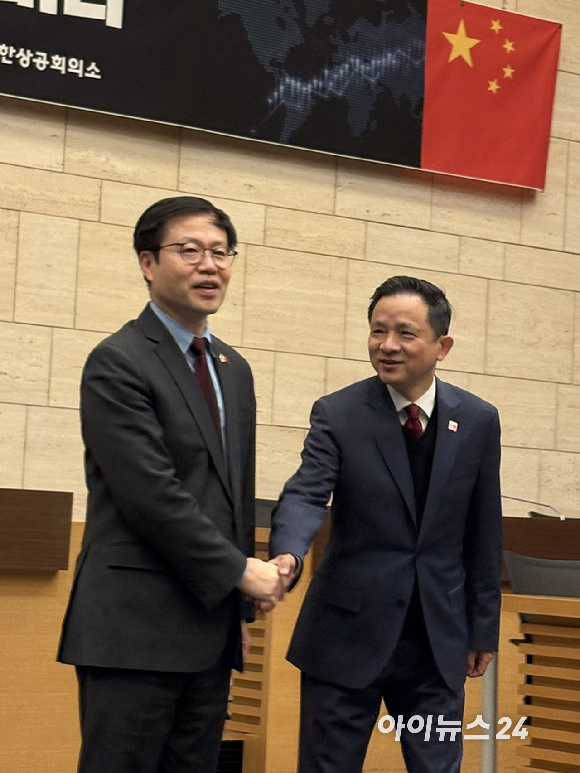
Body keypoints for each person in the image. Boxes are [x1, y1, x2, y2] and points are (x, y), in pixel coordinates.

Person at [57, 196, 283, 773]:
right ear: (148, 263)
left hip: (208, 631)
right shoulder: (118, 361)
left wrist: (238, 612)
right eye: (189, 251)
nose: (209, 265)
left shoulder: (234, 369)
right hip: (133, 630)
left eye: (220, 252)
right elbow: (150, 495)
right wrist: (240, 572)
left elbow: (230, 498)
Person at [268, 275, 503, 773]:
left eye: (404, 333)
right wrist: (288, 552)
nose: (387, 346)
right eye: (378, 331)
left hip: (437, 644)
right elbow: (307, 491)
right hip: (346, 638)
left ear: (443, 346)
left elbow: (483, 530)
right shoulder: (339, 412)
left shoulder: (479, 420)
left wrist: (482, 628)